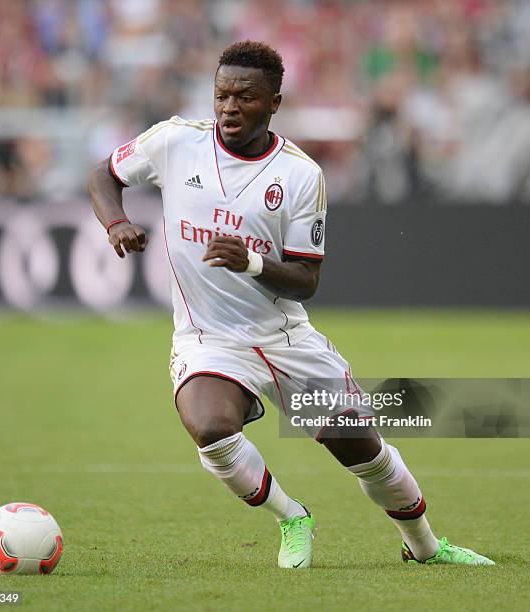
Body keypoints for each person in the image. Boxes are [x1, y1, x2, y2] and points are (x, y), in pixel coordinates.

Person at [88, 40, 494, 569]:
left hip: (285, 342)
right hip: (208, 339)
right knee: (210, 430)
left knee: (365, 454)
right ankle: (292, 517)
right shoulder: (174, 142)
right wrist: (117, 223)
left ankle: (425, 546)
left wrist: (250, 262)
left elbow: (306, 280)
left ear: (274, 102)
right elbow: (104, 175)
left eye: (246, 97)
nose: (230, 107)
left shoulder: (300, 176)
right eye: (222, 95)